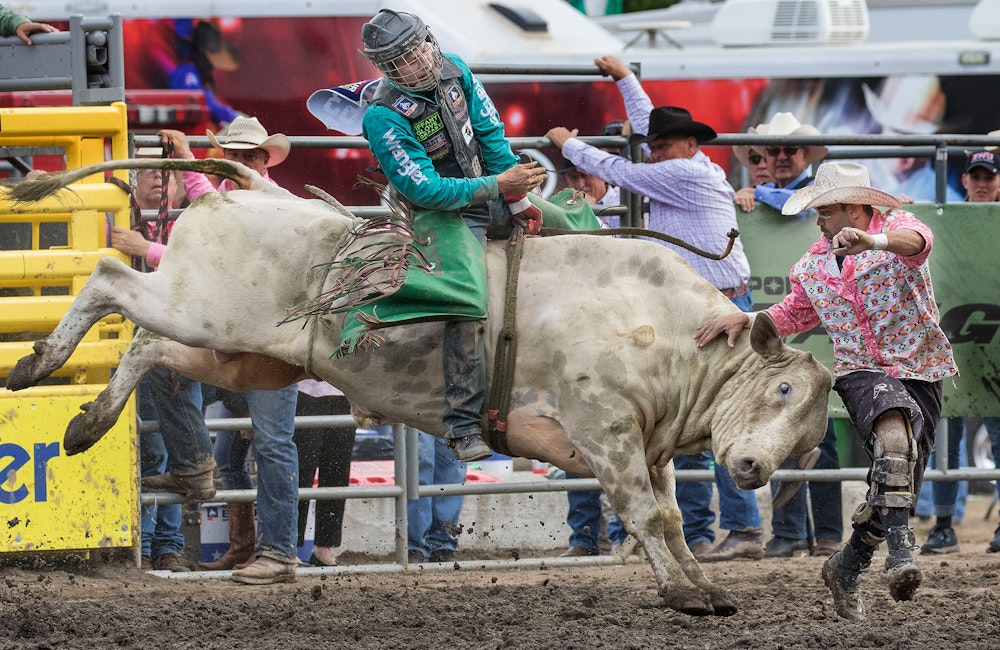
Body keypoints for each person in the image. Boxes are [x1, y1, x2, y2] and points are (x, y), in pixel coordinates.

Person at [696, 161, 958, 621]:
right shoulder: (813, 265)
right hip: (862, 371)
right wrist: (749, 318)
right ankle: (901, 554)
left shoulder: (897, 228)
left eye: (828, 210)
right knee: (895, 441)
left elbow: (918, 243)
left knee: (898, 483)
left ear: (855, 208)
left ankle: (847, 565)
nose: (819, 219)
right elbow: (797, 311)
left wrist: (872, 241)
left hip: (920, 367)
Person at [546, 54, 763, 563]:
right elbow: (646, 136)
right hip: (702, 308)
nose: (656, 152)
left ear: (689, 145)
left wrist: (566, 143)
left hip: (715, 310)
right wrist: (625, 79)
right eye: (656, 146)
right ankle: (719, 530)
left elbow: (617, 166)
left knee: (710, 422)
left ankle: (737, 528)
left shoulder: (683, 174)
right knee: (683, 424)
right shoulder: (688, 167)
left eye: (664, 146)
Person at [359, 9, 547, 463]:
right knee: (466, 304)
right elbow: (422, 188)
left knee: (577, 223)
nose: (418, 59)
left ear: (430, 39)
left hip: (491, 190)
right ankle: (462, 425)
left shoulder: (456, 68)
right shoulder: (383, 117)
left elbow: (489, 133)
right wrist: (500, 187)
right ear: (386, 69)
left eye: (420, 46)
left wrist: (518, 197)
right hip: (439, 214)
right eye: (403, 58)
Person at [159, 117, 300, 585]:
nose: (239, 165)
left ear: (263, 161)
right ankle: (197, 472)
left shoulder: (272, 203)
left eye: (247, 157)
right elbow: (210, 198)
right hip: (238, 335)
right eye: (232, 157)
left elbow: (210, 201)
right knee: (165, 372)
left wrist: (185, 158)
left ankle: (277, 552)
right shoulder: (238, 198)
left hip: (270, 339)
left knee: (273, 441)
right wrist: (187, 160)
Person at [111, 149, 200, 572]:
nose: (159, 181)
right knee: (152, 448)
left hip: (180, 351)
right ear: (135, 183)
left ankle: (166, 544)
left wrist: (143, 247)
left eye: (167, 174)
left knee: (172, 449)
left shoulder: (188, 228)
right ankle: (147, 543)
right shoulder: (120, 221)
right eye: (148, 172)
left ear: (181, 186)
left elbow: (192, 273)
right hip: (140, 350)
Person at [921, 149, 1000, 554]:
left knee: (997, 433)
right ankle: (943, 523)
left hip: (991, 340)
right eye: (977, 176)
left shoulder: (949, 218)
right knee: (944, 437)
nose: (983, 183)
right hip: (955, 334)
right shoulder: (945, 219)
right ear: (966, 180)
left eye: (989, 176)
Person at [294, 380, 356, 567]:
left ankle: (324, 548)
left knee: (337, 471)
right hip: (303, 388)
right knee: (300, 471)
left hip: (344, 389)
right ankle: (289, 548)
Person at [733, 112, 827, 216]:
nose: (781, 157)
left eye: (790, 150)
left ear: (804, 155)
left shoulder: (818, 187)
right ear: (766, 156)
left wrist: (755, 193)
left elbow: (802, 202)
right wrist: (744, 197)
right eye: (774, 151)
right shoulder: (767, 188)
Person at [408, 430, 466, 563]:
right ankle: (415, 545)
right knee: (418, 458)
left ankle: (442, 544)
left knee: (453, 462)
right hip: (418, 410)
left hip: (451, 410)